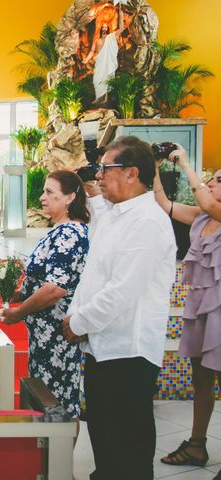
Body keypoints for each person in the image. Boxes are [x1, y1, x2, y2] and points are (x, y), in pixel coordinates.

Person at [62, 135, 177, 480]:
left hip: (128, 351)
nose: (98, 175)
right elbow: (95, 275)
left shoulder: (147, 222)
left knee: (127, 450)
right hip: (102, 347)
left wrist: (78, 322)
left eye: (105, 168)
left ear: (131, 173)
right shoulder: (113, 215)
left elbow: (121, 292)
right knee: (106, 444)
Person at [152, 147, 221, 477]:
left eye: (219, 180)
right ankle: (196, 443)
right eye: (212, 179)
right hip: (201, 307)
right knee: (201, 377)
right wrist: (152, 168)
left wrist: (185, 162)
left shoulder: (213, 210)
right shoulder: (203, 216)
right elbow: (163, 204)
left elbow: (208, 201)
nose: (211, 183)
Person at [0, 170, 90, 418]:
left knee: (58, 407)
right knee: (46, 404)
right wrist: (21, 291)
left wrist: (19, 312)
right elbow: (45, 280)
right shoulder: (59, 230)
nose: (42, 197)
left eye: (50, 192)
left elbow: (55, 289)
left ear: (70, 197)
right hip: (44, 339)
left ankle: (60, 457)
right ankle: (49, 456)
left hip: (56, 340)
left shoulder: (69, 234)